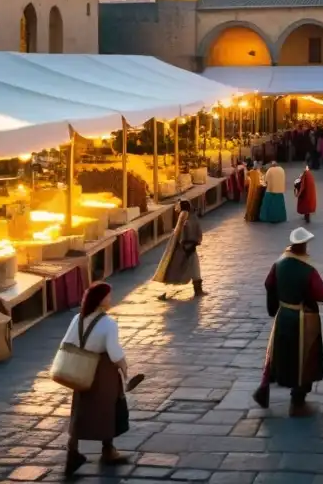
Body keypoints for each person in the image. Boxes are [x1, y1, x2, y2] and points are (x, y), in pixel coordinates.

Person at [62, 282, 136, 475]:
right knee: (108, 409)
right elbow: (114, 352)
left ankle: (73, 452)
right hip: (103, 372)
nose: (111, 299)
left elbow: (67, 343)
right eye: (109, 296)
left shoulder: (77, 319)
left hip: (81, 370)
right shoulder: (108, 323)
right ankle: (108, 450)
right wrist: (124, 367)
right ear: (101, 300)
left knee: (79, 411)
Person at [253, 227, 323, 415]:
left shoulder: (278, 263)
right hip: (301, 318)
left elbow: (268, 284)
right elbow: (322, 294)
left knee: (275, 351)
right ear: (303, 246)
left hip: (283, 314)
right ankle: (298, 397)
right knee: (303, 355)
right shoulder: (308, 269)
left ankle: (264, 387)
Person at [152, 199, 205, 299]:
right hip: (189, 248)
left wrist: (185, 245)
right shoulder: (192, 217)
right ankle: (198, 290)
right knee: (194, 269)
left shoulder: (185, 217)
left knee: (176, 270)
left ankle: (167, 292)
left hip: (185, 249)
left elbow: (185, 232)